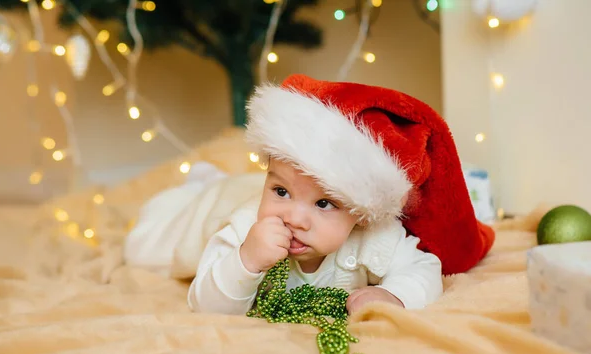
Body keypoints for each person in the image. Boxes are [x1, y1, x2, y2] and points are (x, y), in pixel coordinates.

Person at [189, 74, 496, 315]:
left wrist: (394, 295)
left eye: (324, 203)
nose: (294, 218)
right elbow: (204, 305)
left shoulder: (374, 235)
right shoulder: (245, 230)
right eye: (280, 191)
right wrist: (245, 262)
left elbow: (424, 267)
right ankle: (200, 183)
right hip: (206, 210)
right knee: (171, 225)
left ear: (361, 214)